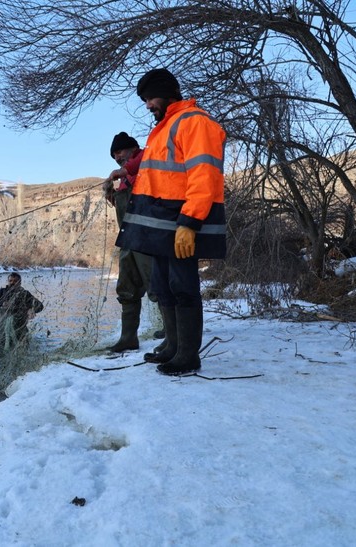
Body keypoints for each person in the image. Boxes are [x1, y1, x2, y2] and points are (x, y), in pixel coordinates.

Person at [116, 68, 226, 375]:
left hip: (181, 222)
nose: (148, 105)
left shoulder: (195, 122)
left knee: (183, 286)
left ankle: (188, 356)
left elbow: (204, 176)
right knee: (162, 286)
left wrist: (189, 223)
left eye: (150, 98)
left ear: (166, 93)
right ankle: (173, 347)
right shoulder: (163, 127)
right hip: (160, 224)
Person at [102, 132, 166, 353]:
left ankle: (173, 333)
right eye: (114, 156)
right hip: (128, 241)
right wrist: (112, 195)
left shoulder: (147, 159)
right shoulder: (125, 179)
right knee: (126, 289)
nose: (117, 158)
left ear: (131, 148)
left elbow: (147, 159)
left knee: (157, 286)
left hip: (149, 239)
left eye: (119, 152)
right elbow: (124, 207)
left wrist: (124, 170)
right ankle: (128, 338)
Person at [0, 272, 44, 356]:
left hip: (20, 331)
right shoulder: (1, 292)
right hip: (2, 333)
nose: (12, 283)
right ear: (8, 281)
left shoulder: (25, 294)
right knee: (1, 354)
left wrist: (32, 309)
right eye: (10, 281)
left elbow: (40, 306)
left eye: (15, 281)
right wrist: (1, 304)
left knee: (23, 354)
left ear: (20, 282)